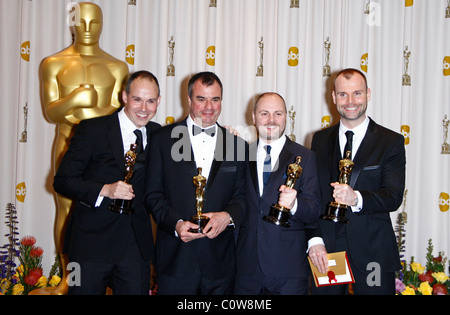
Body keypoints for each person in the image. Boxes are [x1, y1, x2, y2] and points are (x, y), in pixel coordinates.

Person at [39, 2, 128, 294]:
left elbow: (121, 114)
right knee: (65, 208)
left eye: (94, 23)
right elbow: (51, 112)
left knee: (112, 207)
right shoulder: (54, 63)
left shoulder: (117, 66)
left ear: (102, 24)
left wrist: (83, 109)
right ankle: (69, 278)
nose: (88, 29)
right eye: (82, 22)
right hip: (67, 143)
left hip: (106, 151)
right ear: (72, 24)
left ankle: (108, 275)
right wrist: (76, 98)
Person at [53, 71, 161, 295]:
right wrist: (105, 190)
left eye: (151, 101)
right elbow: (62, 181)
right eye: (137, 99)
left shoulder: (159, 134)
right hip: (89, 246)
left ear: (158, 101)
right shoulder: (92, 129)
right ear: (124, 96)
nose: (144, 108)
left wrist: (227, 137)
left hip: (134, 247)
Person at [144, 71, 247, 295]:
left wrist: (227, 217)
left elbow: (242, 197)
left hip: (220, 263)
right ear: (189, 100)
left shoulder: (237, 145)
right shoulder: (162, 139)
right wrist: (176, 224)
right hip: (175, 260)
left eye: (215, 99)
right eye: (201, 99)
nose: (209, 106)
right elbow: (153, 195)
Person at [311, 68, 406, 295]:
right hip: (329, 251)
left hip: (373, 250)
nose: (350, 101)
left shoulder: (390, 141)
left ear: (368, 94)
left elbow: (393, 196)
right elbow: (314, 196)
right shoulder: (320, 140)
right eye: (343, 94)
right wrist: (314, 240)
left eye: (357, 93)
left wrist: (357, 198)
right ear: (333, 97)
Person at [235, 92, 328, 295]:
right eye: (264, 113)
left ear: (286, 116)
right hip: (246, 270)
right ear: (253, 117)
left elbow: (314, 210)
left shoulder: (306, 157)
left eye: (278, 113)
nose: (271, 120)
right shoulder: (240, 155)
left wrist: (294, 205)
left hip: (288, 271)